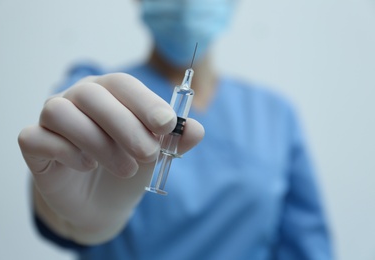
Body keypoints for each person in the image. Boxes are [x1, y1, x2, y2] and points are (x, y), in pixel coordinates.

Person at [18, 0, 333, 259]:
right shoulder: (100, 91)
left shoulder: (275, 114)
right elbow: (56, 173)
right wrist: (74, 223)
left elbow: (307, 246)